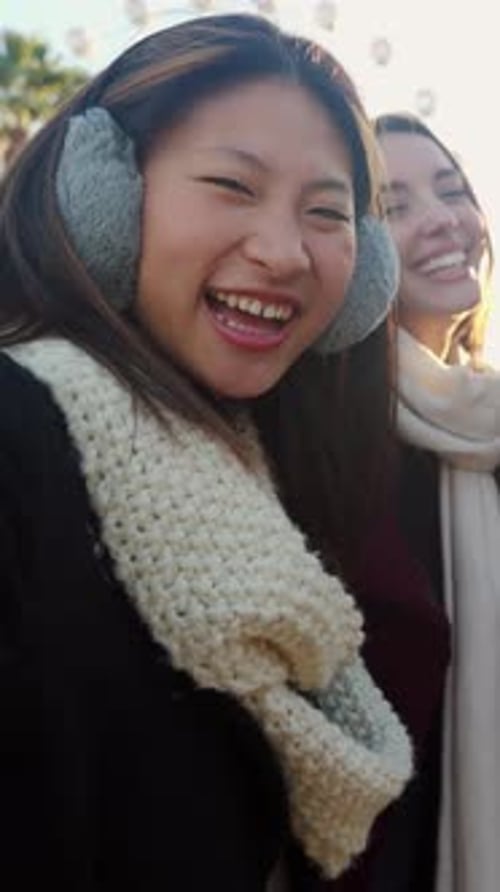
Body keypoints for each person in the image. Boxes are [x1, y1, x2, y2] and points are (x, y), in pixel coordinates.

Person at [0, 14, 413, 892]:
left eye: (326, 213)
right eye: (232, 184)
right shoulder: (16, 430)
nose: (283, 252)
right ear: (99, 190)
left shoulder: (265, 476)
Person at [373, 112, 499, 892]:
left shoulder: (489, 426)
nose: (443, 219)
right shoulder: (330, 442)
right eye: (395, 207)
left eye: (452, 191)